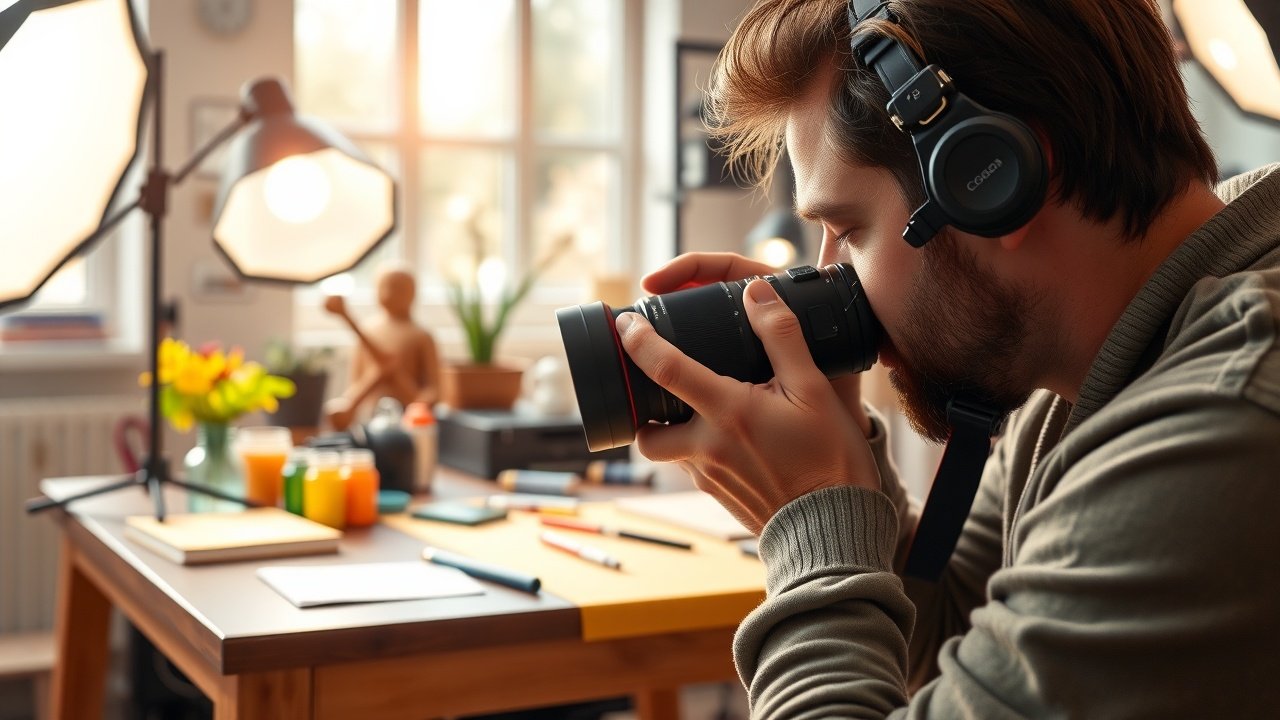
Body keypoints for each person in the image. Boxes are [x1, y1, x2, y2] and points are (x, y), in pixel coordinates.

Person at [615, 0, 1280, 716]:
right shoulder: (1100, 353)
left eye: (847, 229)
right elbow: (955, 629)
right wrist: (844, 478)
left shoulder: (1223, 418)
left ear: (991, 180)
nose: (826, 275)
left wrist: (807, 524)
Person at [324, 264, 441, 431]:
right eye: (384, 286)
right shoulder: (368, 331)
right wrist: (376, 375)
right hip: (370, 423)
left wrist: (421, 404)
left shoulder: (421, 336)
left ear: (413, 293)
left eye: (398, 288)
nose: (388, 292)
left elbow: (434, 390)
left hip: (409, 425)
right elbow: (355, 382)